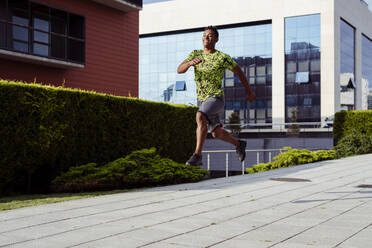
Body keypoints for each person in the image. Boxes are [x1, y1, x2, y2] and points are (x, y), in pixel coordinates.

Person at [177, 26, 256, 166]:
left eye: (210, 35)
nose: (206, 37)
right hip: (202, 100)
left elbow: (240, 73)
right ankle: (239, 144)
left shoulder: (222, 57)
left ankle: (197, 155)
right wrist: (189, 63)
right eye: (204, 35)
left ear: (216, 39)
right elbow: (180, 70)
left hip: (216, 98)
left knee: (200, 116)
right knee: (216, 133)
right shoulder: (195, 54)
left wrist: (249, 92)